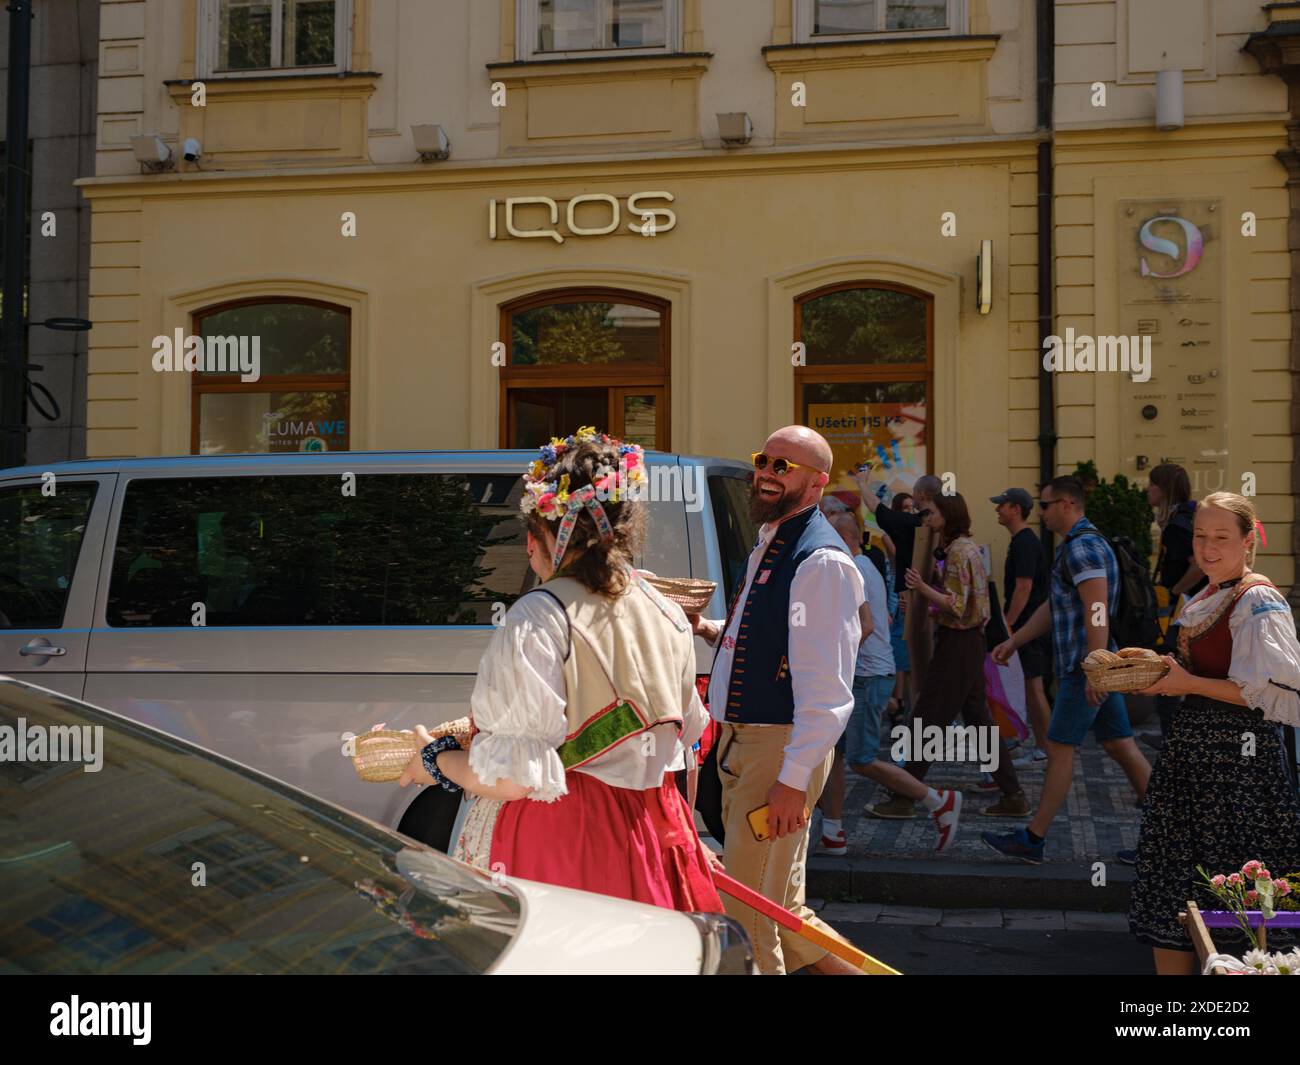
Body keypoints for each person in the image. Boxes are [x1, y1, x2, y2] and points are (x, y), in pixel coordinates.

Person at [396, 427, 724, 914]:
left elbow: (514, 781)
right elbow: (687, 748)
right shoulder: (666, 611)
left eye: (532, 535)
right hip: (654, 831)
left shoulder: (538, 616)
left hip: (564, 839)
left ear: (545, 537)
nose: (529, 549)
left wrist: (432, 759)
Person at [689, 425, 864, 976]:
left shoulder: (820, 562)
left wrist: (792, 780)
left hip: (777, 751)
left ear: (817, 483)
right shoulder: (772, 540)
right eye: (764, 460)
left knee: (749, 916)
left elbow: (828, 691)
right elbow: (761, 641)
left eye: (783, 466)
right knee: (780, 910)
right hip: (751, 744)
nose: (767, 472)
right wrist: (707, 629)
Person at [1127, 491, 1300, 973]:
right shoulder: (1206, 595)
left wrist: (1188, 683)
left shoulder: (1258, 598)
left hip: (1238, 768)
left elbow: (1269, 692)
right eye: (1201, 536)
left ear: (1249, 540)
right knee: (1178, 882)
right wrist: (1159, 672)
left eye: (1221, 537)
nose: (1207, 547)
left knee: (1233, 885)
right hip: (1194, 760)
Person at [986, 476, 1152, 863]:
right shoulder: (1076, 547)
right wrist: (1015, 641)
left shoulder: (1083, 549)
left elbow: (1096, 608)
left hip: (1085, 667)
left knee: (1059, 748)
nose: (1039, 513)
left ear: (1066, 504)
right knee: (1119, 744)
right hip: (1090, 663)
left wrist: (1096, 667)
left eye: (1044, 505)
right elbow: (1055, 607)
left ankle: (1033, 839)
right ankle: (1168, 833)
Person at [868, 492, 1027, 819]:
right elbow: (966, 603)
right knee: (978, 722)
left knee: (927, 718)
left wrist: (923, 589)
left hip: (958, 643)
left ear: (948, 514)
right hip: (968, 642)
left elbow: (956, 604)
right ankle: (1013, 795)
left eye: (933, 511)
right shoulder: (966, 547)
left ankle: (904, 797)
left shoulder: (956, 551)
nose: (927, 515)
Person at [827, 508, 964, 851]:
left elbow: (866, 626)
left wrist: (833, 661)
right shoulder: (865, 566)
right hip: (869, 675)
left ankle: (937, 800)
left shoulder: (853, 569)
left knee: (861, 758)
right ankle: (832, 832)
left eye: (829, 538)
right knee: (833, 755)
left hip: (868, 677)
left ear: (844, 539)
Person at [1143, 463, 1208, 752]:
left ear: (1165, 489)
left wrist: (1177, 591)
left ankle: (1172, 737)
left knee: (1166, 667)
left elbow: (1198, 565)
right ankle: (1173, 733)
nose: (1148, 489)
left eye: (1152, 484)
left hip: (1186, 609)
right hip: (1195, 609)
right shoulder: (1186, 518)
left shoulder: (1179, 525)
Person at [992, 487, 1051, 764]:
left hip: (1029, 628)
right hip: (1027, 627)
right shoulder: (1021, 541)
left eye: (1002, 505)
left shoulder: (1025, 543)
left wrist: (1009, 625)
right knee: (1028, 687)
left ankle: (1046, 747)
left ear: (1016, 509)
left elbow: (1024, 587)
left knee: (1034, 687)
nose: (997, 510)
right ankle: (1035, 742)